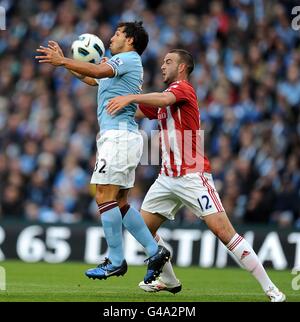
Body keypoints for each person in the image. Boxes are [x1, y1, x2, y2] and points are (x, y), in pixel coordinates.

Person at [107, 49, 286, 302]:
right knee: (143, 229)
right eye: (162, 62)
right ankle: (169, 280)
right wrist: (106, 84)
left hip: (192, 176)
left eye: (168, 61)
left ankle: (271, 289)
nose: (162, 66)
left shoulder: (183, 89)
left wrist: (129, 96)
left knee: (225, 233)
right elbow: (137, 110)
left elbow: (160, 99)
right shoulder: (163, 102)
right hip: (167, 178)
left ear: (182, 68)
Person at [35, 21, 170, 283]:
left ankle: (116, 260)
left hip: (119, 137)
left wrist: (63, 62)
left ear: (130, 40)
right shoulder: (119, 65)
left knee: (102, 195)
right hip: (122, 137)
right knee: (118, 202)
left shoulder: (128, 59)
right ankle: (155, 251)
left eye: (118, 33)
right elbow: (92, 78)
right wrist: (64, 62)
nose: (112, 37)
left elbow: (96, 71)